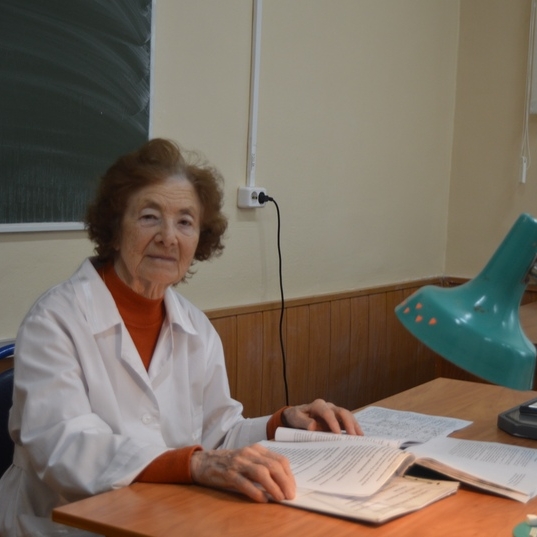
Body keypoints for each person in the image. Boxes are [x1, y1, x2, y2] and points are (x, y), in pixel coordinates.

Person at [0, 138, 362, 536]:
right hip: (63, 525)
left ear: (199, 241)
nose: (168, 237)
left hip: (162, 518)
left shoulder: (195, 326)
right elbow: (64, 447)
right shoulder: (54, 321)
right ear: (114, 230)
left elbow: (219, 433)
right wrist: (192, 464)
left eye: (185, 222)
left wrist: (283, 424)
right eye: (149, 217)